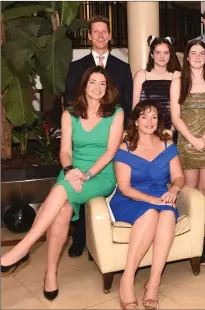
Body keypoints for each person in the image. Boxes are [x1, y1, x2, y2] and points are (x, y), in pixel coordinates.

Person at [1, 66, 124, 302]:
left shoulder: (115, 113)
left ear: (107, 89)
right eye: (93, 82)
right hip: (71, 172)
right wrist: (70, 171)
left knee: (60, 191)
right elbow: (65, 151)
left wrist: (86, 175)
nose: (97, 88)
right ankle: (50, 273)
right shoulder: (69, 114)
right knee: (62, 211)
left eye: (102, 84)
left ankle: (23, 248)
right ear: (84, 85)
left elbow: (110, 152)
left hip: (101, 174)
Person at [64, 15, 133, 258]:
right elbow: (70, 102)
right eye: (96, 32)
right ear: (90, 36)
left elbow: (127, 103)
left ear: (110, 36)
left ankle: (102, 239)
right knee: (80, 185)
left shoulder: (123, 67)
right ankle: (80, 238)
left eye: (105, 31)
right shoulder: (76, 66)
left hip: (112, 137)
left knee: (107, 190)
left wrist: (123, 130)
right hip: (85, 137)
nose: (101, 35)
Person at [110, 100, 185, 310]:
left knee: (169, 214)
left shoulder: (167, 144)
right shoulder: (124, 148)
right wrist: (152, 200)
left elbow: (179, 177)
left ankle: (153, 282)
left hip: (162, 195)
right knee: (151, 213)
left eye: (154, 117)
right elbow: (124, 187)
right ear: (135, 121)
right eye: (144, 116)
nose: (149, 121)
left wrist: (173, 190)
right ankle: (127, 279)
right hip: (130, 199)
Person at [170, 39, 205, 263]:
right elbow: (175, 116)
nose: (197, 56)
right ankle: (193, 237)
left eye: (201, 53)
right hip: (186, 142)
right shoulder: (178, 82)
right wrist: (193, 139)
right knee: (190, 189)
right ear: (186, 57)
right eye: (192, 52)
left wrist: (204, 138)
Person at [132, 36, 181, 134]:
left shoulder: (177, 75)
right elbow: (135, 108)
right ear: (151, 55)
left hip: (171, 130)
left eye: (166, 53)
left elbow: (180, 108)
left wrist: (171, 130)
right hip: (145, 129)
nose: (162, 57)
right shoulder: (141, 75)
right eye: (158, 52)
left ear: (170, 55)